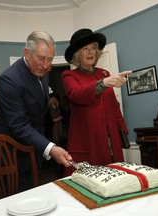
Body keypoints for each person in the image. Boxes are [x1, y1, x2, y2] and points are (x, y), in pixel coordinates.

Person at [0, 31, 72, 192]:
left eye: (50, 59)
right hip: (9, 153)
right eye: (41, 58)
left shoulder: (42, 72)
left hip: (31, 149)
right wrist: (51, 148)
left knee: (32, 195)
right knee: (14, 202)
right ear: (26, 53)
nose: (46, 65)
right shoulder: (10, 80)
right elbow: (19, 125)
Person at [62, 28, 132, 176]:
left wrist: (122, 131)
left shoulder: (103, 73)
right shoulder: (69, 75)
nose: (91, 52)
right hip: (88, 141)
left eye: (93, 48)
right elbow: (77, 95)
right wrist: (103, 84)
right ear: (77, 55)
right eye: (85, 49)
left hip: (111, 139)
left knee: (116, 179)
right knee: (91, 185)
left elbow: (114, 106)